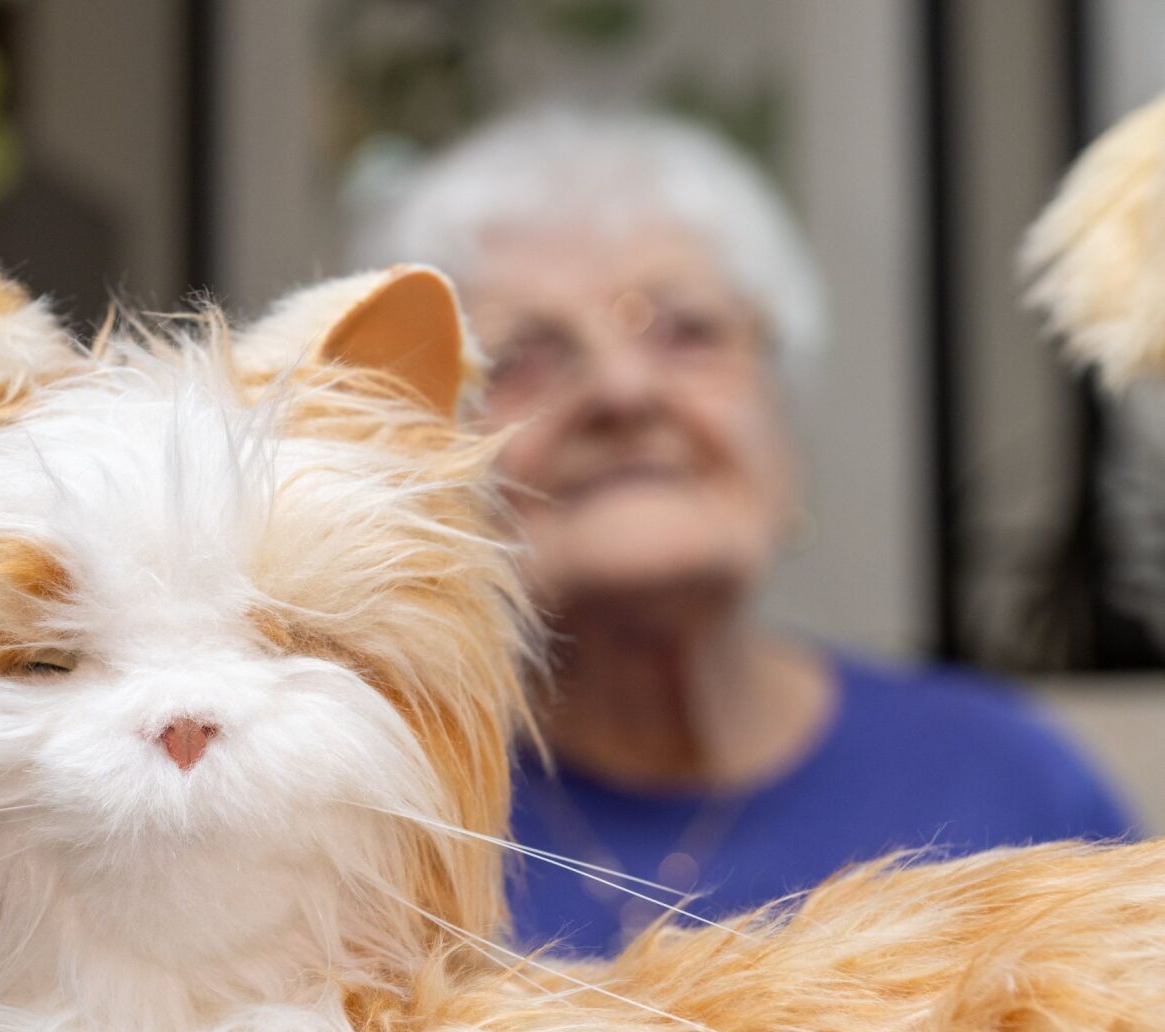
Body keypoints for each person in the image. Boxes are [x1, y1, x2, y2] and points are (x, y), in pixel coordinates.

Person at [350, 107, 1137, 955]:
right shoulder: (376, 835)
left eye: (688, 332)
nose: (620, 389)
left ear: (783, 431)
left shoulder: (1004, 780)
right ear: (431, 468)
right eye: (522, 359)